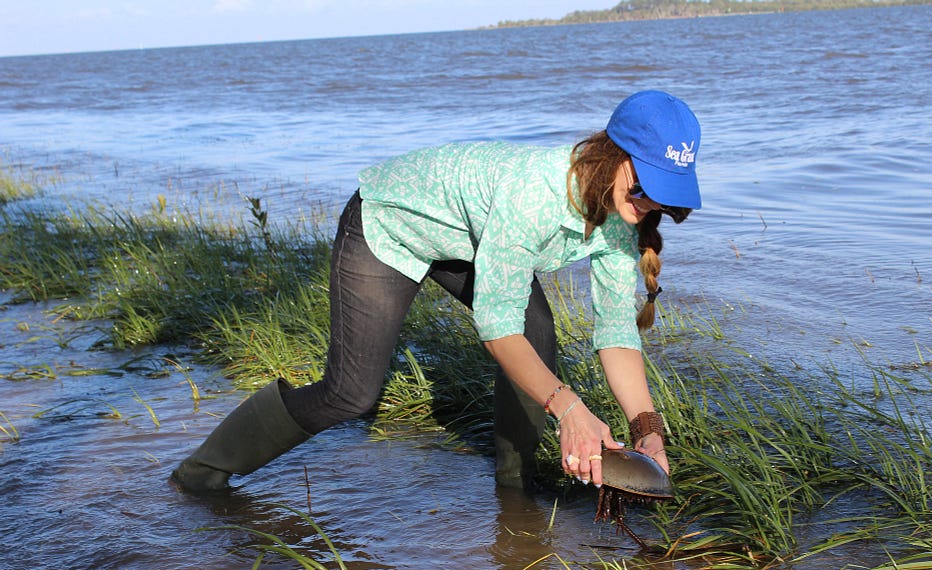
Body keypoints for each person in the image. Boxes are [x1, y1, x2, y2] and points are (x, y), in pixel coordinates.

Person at [171, 89, 701, 493]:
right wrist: (571, 410)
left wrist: (647, 429)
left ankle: (515, 492)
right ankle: (203, 472)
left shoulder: (619, 222)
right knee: (351, 394)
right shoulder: (533, 197)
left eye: (665, 196)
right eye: (644, 185)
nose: (651, 202)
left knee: (537, 334)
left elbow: (613, 328)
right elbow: (495, 328)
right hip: (389, 225)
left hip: (464, 239)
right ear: (611, 156)